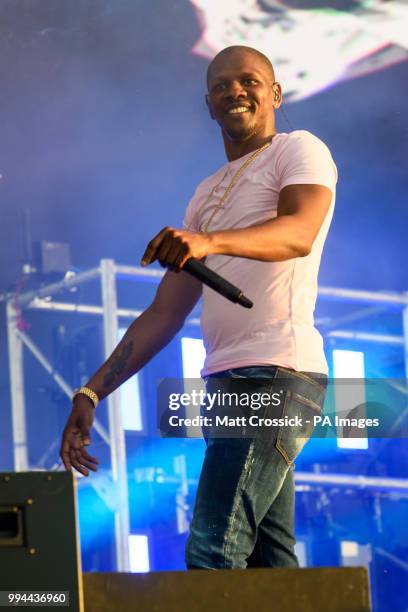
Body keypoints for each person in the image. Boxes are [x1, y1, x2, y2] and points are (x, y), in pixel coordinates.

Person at [60, 45, 337, 569]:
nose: (236, 90)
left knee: (213, 550)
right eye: (222, 85)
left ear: (274, 93)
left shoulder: (298, 149)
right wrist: (91, 391)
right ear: (208, 104)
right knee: (268, 566)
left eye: (250, 81)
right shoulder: (206, 194)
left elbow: (299, 232)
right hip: (226, 383)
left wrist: (208, 242)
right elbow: (166, 312)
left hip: (276, 373)